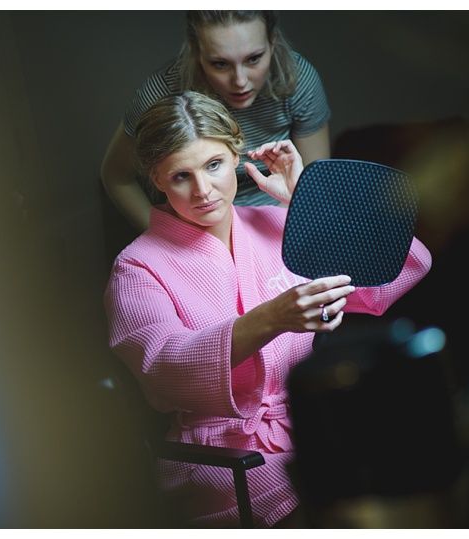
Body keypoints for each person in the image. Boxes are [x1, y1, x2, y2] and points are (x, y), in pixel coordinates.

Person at [103, 91, 431, 527]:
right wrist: (271, 319)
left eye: (214, 165)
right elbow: (163, 367)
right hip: (223, 457)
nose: (203, 190)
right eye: (181, 176)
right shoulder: (137, 267)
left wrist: (304, 200)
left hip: (311, 427)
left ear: (236, 153)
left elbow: (400, 269)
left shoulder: (274, 224)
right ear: (156, 180)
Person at [101, 11, 331, 231]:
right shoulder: (161, 94)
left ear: (273, 42)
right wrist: (165, 241)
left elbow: (313, 184)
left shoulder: (298, 81)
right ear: (196, 52)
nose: (240, 81)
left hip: (279, 219)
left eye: (253, 59)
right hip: (194, 226)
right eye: (220, 64)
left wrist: (278, 234)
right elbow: (117, 176)